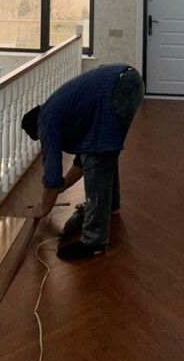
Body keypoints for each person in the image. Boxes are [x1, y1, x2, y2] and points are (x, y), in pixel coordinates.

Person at [21, 63, 144, 260]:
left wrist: (44, 207)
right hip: (127, 80)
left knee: (97, 156)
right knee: (103, 151)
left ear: (37, 130)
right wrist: (60, 188)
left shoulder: (46, 121)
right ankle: (111, 206)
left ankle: (94, 241)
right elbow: (80, 164)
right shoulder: (59, 110)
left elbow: (52, 170)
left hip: (119, 88)